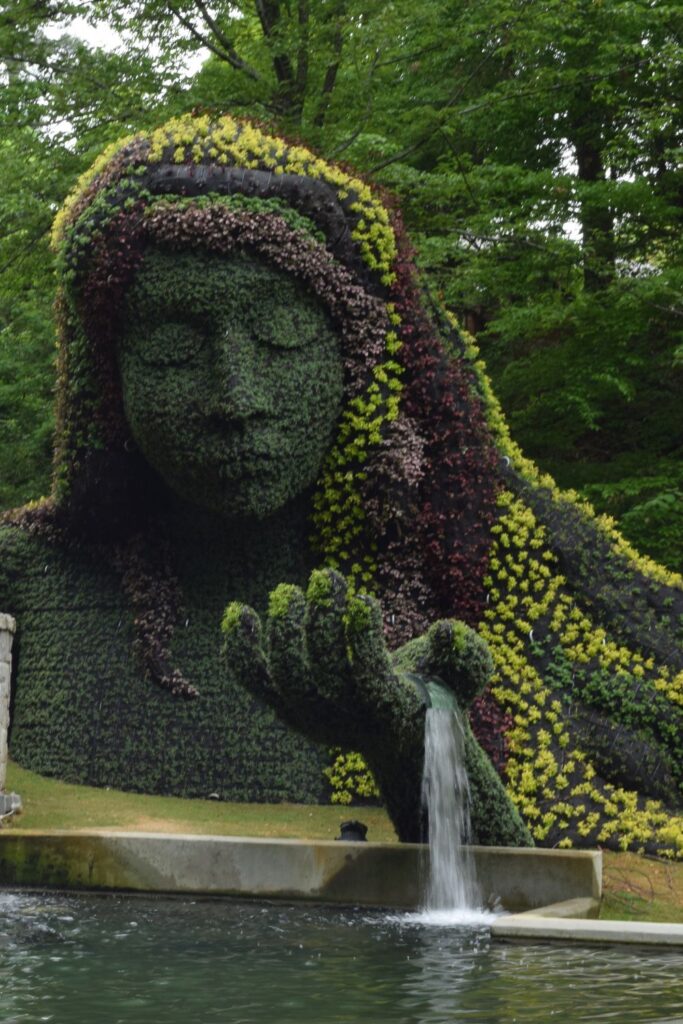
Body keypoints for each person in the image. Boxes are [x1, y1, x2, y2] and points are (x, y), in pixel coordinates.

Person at [1, 113, 681, 853]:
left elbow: (507, 897)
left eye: (283, 338)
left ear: (358, 365)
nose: (237, 399)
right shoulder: (30, 576)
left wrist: (400, 734)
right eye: (169, 349)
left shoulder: (434, 595)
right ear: (110, 381)